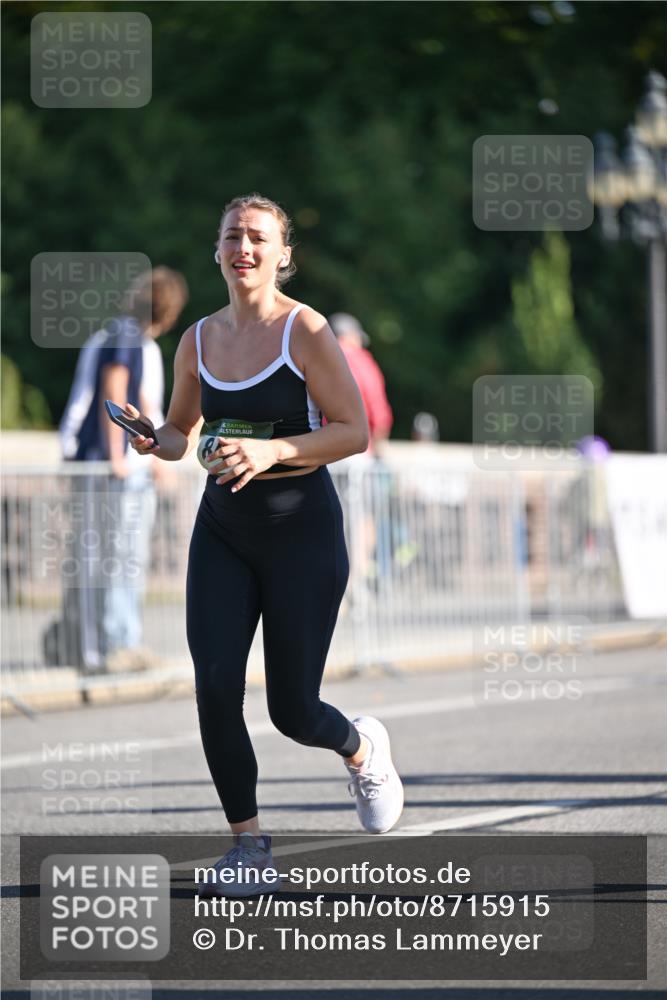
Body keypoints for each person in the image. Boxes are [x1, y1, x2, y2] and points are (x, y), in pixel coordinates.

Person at [126, 194, 404, 892]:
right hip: (222, 532)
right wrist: (149, 437)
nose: (242, 248)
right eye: (231, 237)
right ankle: (248, 848)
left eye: (257, 238)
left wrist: (273, 452)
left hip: (300, 534)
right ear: (216, 251)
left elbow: (352, 431)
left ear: (282, 254)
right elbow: (179, 435)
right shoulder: (195, 339)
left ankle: (362, 747)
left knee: (292, 711)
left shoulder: (304, 330)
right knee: (215, 687)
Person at [57, 267, 188, 672]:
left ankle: (86, 643)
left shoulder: (112, 334)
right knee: (121, 554)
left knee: (95, 555)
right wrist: (120, 455)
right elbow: (115, 389)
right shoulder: (129, 338)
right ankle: (118, 643)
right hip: (113, 466)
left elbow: (141, 399)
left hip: (91, 461)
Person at [328, 313, 394, 604]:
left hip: (321, 453)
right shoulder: (361, 360)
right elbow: (378, 413)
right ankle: (355, 586)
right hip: (356, 455)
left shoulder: (318, 355)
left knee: (329, 523)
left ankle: (331, 587)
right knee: (360, 522)